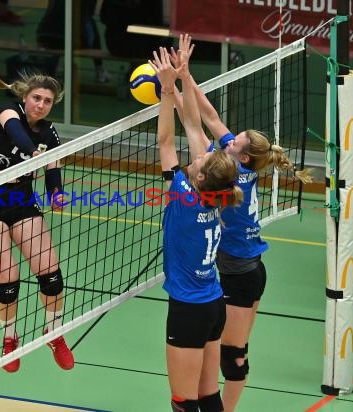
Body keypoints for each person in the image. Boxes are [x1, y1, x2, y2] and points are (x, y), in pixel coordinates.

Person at [176, 43, 313, 412]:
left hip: (242, 272)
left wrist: (174, 91)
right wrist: (185, 76)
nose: (228, 138)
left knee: (232, 355)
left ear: (243, 156)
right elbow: (208, 115)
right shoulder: (238, 161)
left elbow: (195, 124)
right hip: (240, 266)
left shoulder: (233, 174)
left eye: (234, 142)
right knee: (219, 354)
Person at [148, 35, 243, 412]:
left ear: (201, 178)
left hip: (188, 309)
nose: (199, 156)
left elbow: (165, 139)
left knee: (183, 403)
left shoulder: (184, 195)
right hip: (213, 304)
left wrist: (166, 90)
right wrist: (183, 75)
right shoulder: (220, 194)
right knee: (208, 396)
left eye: (202, 161)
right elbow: (192, 127)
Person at [0, 72, 74, 373]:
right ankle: (10, 338)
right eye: (36, 98)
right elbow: (19, 136)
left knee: (50, 274)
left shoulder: (49, 133)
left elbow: (53, 166)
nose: (41, 105)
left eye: (47, 101)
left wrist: (56, 193)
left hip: (21, 201)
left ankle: (53, 333)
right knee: (8, 280)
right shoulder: (7, 113)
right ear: (26, 97)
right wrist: (34, 152)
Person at [36, 0, 110, 83]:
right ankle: (99, 69)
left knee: (58, 29)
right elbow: (90, 14)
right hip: (71, 41)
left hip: (44, 37)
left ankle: (52, 68)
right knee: (89, 24)